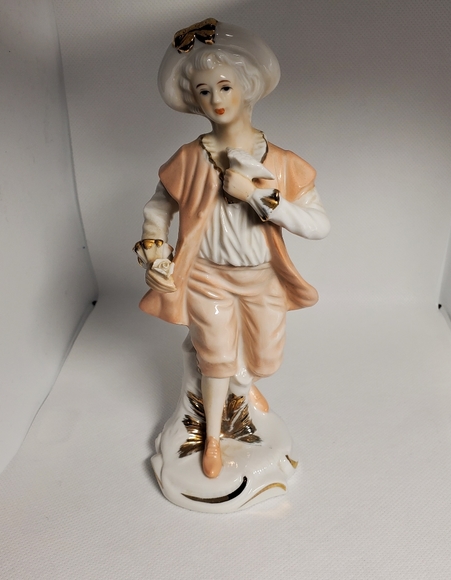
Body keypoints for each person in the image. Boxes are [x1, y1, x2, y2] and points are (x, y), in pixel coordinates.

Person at [135, 19, 329, 479]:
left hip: (262, 278)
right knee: (216, 357)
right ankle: (213, 438)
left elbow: (318, 225)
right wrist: (155, 251)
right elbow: (159, 207)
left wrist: (262, 198)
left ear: (247, 88)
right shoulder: (190, 158)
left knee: (265, 358)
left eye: (225, 86)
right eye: (204, 91)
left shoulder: (283, 163)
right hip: (207, 275)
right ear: (194, 99)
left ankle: (244, 384)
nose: (216, 100)